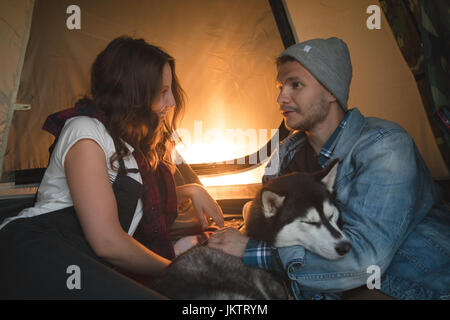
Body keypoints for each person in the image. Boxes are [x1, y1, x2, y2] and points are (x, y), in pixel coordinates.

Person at [208, 37, 450, 300]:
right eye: (280, 87)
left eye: (295, 85)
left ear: (331, 91)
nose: (281, 98)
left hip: (402, 279)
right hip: (320, 282)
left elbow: (365, 261)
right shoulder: (287, 151)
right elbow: (273, 223)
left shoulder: (386, 146)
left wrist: (252, 250)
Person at [0, 36, 224, 299]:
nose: (172, 101)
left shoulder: (131, 147)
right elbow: (107, 241)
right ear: (134, 92)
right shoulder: (85, 132)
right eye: (163, 91)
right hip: (36, 249)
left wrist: (191, 191)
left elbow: (125, 204)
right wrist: (178, 270)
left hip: (84, 260)